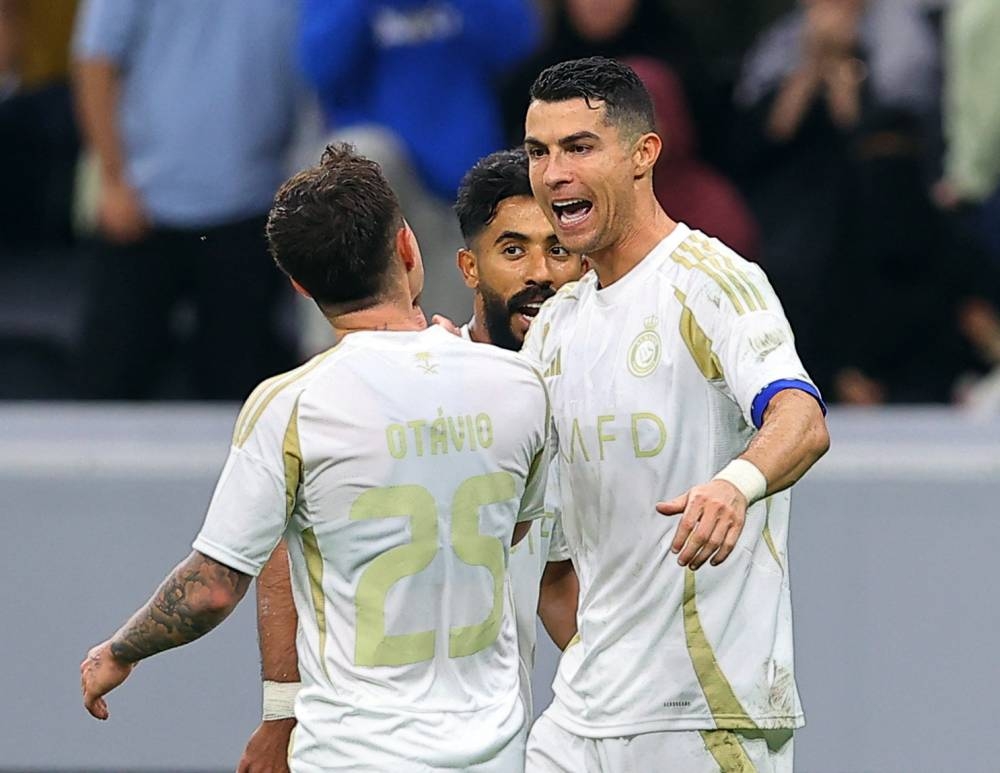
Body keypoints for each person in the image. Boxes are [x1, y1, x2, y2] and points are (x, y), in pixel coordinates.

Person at [80, 143, 554, 772]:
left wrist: (120, 650)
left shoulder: (293, 406)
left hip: (354, 755)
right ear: (408, 248)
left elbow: (212, 590)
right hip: (495, 753)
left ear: (300, 285)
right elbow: (511, 531)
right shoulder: (519, 386)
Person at [520, 57, 830, 771]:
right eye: (539, 152)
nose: (554, 173)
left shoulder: (713, 281)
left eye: (578, 147)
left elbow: (801, 418)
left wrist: (734, 484)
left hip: (704, 711)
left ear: (644, 154)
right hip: (583, 709)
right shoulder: (556, 326)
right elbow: (542, 544)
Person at [237, 147, 583, 772]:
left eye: (558, 250)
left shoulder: (585, 400)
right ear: (468, 266)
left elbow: (555, 581)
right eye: (513, 250)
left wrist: (626, 700)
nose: (540, 272)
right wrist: (283, 709)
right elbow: (290, 542)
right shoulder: (398, 389)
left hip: (502, 746)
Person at [71, 0, 300, 399]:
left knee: (241, 390)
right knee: (110, 380)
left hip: (255, 205)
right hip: (144, 205)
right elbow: (94, 60)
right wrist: (112, 179)